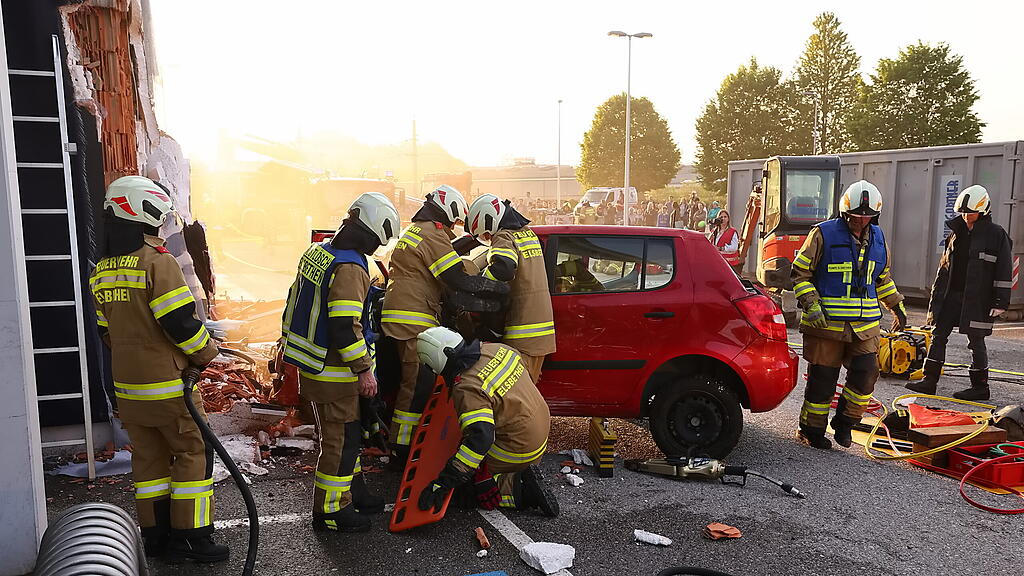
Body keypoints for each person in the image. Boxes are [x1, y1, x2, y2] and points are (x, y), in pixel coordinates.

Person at [89, 176, 227, 562]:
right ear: (143, 211)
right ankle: (191, 538)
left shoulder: (103, 269)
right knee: (192, 452)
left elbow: (106, 331)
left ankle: (156, 537)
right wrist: (206, 355)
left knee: (148, 460)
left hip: (129, 390)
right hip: (167, 386)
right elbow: (180, 322)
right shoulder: (158, 263)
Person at [281, 193, 399, 532]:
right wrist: (363, 369)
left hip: (314, 365)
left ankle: (355, 491)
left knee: (350, 434)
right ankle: (332, 511)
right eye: (378, 240)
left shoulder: (320, 252)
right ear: (371, 231)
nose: (377, 247)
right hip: (335, 372)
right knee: (340, 441)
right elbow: (345, 326)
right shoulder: (350, 268)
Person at [381, 185, 506, 463]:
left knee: (411, 386)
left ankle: (400, 444)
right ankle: (401, 451)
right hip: (413, 319)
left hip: (399, 313)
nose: (453, 227)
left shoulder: (415, 230)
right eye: (455, 221)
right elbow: (456, 278)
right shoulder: (433, 233)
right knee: (416, 389)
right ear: (448, 210)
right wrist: (497, 290)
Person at [791, 180, 907, 450]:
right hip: (826, 326)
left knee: (866, 374)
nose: (860, 220)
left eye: (866, 216)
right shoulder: (823, 234)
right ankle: (811, 430)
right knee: (823, 382)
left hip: (865, 326)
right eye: (856, 216)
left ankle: (845, 423)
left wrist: (896, 304)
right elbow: (800, 272)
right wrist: (811, 303)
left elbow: (881, 278)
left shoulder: (879, 237)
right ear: (845, 212)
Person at [415, 327, 558, 517]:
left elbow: (480, 439)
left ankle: (518, 489)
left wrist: (446, 481)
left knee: (466, 489)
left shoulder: (465, 386)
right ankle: (516, 475)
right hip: (540, 429)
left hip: (517, 449)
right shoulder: (498, 349)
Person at [906, 185, 1013, 400]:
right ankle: (929, 380)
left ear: (983, 210)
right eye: (963, 212)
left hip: (977, 299)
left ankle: (980, 388)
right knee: (939, 335)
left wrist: (1000, 301)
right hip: (951, 296)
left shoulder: (996, 235)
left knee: (976, 340)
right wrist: (936, 299)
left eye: (970, 212)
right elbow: (943, 270)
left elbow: (1004, 269)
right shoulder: (956, 234)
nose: (965, 216)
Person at [466, 195, 555, 383]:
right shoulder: (527, 233)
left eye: (486, 235)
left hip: (522, 332)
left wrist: (477, 286)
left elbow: (503, 268)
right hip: (540, 329)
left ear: (489, 220)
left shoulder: (504, 236)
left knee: (516, 394)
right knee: (526, 389)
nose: (488, 239)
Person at [711, 210, 742, 274]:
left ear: (728, 219)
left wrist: (720, 248)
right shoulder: (715, 231)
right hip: (718, 263)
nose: (723, 219)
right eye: (721, 217)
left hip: (730, 264)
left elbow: (734, 247)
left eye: (725, 217)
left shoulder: (732, 231)